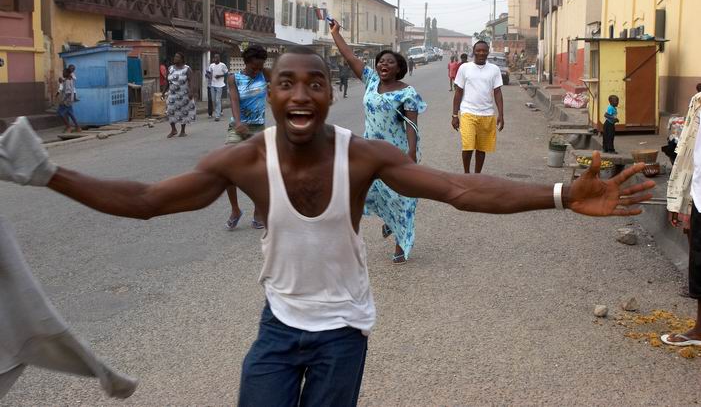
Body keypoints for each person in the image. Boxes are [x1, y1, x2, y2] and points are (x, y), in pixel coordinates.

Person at [0, 47, 655, 406]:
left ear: (330, 92)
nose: (301, 95)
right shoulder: (243, 159)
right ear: (273, 92)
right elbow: (145, 200)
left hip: (343, 329)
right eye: (287, 83)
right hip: (278, 327)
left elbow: (458, 187)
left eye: (315, 83)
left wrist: (562, 193)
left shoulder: (364, 155)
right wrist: (48, 175)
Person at [331, 20, 425, 264]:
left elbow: (411, 125)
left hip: (398, 152)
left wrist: (412, 152)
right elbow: (350, 56)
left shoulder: (407, 93)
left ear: (398, 69)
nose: (383, 64)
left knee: (401, 197)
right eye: (381, 61)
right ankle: (390, 222)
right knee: (367, 191)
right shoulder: (371, 80)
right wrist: (336, 34)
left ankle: (401, 243)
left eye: (389, 62)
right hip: (370, 151)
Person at [665, 84, 701, 347]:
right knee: (699, 265)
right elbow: (689, 154)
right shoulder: (698, 102)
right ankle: (700, 330)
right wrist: (679, 199)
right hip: (700, 197)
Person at [225, 45, 270, 230]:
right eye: (254, 67)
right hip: (237, 127)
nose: (256, 71)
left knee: (261, 173)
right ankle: (235, 209)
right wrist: (238, 122)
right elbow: (234, 101)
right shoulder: (234, 78)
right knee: (227, 170)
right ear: (246, 63)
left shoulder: (265, 74)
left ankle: (258, 210)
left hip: (258, 129)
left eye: (260, 67)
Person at [452, 41, 504, 174]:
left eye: (484, 51)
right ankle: (467, 175)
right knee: (468, 146)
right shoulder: (465, 68)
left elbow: (497, 92)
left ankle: (477, 176)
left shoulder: (494, 69)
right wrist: (454, 115)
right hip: (468, 112)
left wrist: (501, 115)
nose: (481, 53)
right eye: (478, 50)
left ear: (488, 52)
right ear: (473, 52)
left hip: (487, 114)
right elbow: (458, 92)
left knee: (481, 148)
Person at [165, 51, 195, 138]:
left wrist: (191, 91)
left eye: (177, 57)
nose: (175, 58)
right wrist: (163, 92)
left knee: (183, 112)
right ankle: (173, 129)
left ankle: (182, 130)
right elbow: (167, 81)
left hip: (184, 94)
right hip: (172, 94)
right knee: (169, 111)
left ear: (182, 59)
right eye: (175, 57)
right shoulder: (170, 68)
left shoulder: (187, 69)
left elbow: (191, 81)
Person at [57, 67, 81, 133]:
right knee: (70, 113)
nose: (63, 73)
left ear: (67, 73)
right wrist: (62, 81)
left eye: (64, 72)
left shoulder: (67, 81)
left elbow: (68, 93)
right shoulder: (69, 79)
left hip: (66, 101)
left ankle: (68, 127)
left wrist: (63, 101)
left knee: (60, 113)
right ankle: (77, 127)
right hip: (70, 100)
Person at [208, 53, 228, 121]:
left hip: (220, 85)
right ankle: (217, 112)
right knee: (213, 100)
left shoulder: (222, 65)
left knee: (217, 100)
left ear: (219, 58)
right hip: (212, 85)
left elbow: (226, 73)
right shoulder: (211, 65)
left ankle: (217, 116)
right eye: (215, 58)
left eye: (217, 58)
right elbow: (209, 73)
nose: (216, 59)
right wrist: (208, 76)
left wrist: (220, 76)